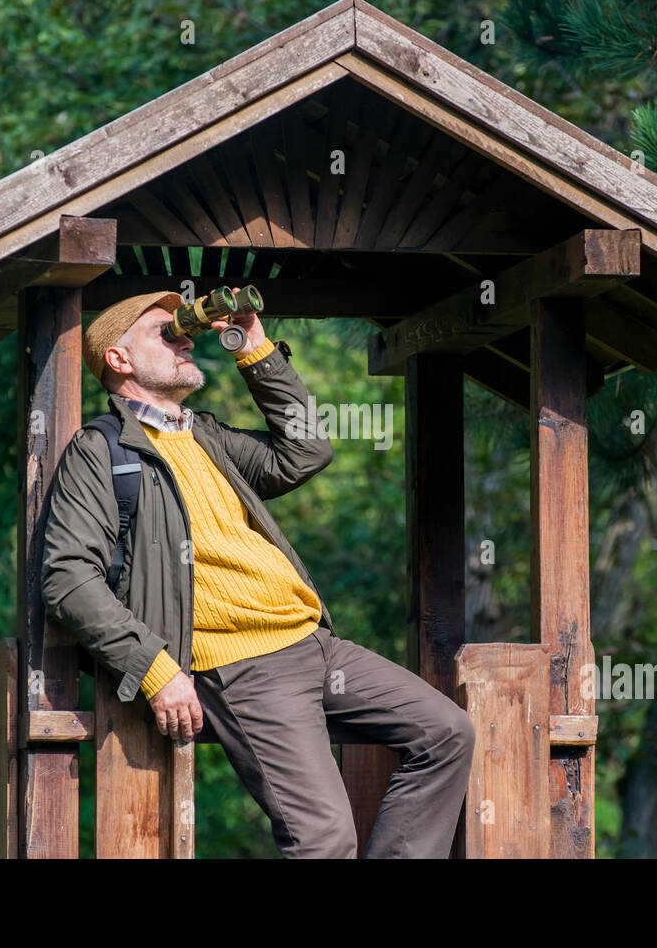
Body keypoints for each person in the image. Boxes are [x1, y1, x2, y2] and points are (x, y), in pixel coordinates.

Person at [40, 289, 475, 858]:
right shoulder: (99, 451)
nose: (184, 339)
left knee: (447, 734)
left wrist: (254, 348)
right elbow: (69, 578)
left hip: (315, 644)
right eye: (165, 334)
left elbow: (305, 451)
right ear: (119, 360)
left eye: (184, 330)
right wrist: (156, 669)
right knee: (324, 840)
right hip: (242, 665)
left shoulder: (208, 436)